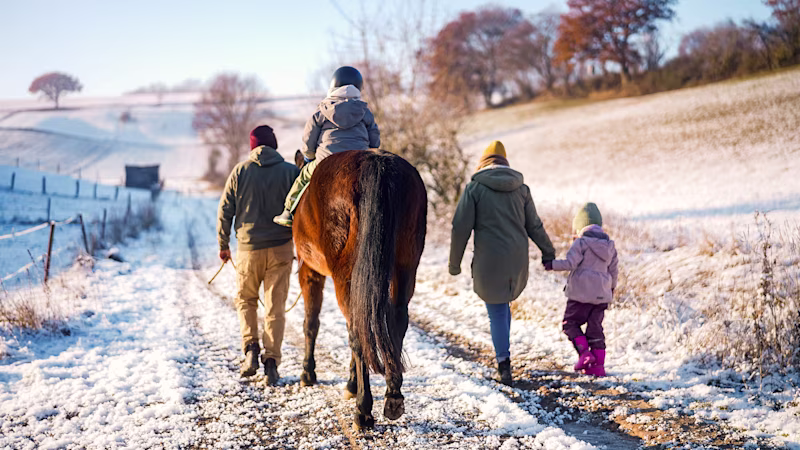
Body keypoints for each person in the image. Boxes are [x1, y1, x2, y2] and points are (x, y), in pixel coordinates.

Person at [449, 141, 556, 385]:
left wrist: (454, 264)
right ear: (505, 162)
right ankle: (504, 355)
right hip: (517, 259)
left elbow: (460, 228)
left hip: (489, 260)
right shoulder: (522, 189)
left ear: (483, 162)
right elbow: (535, 226)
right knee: (503, 303)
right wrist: (548, 251)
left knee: (496, 310)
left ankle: (503, 363)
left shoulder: (475, 188)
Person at [217, 125, 301, 384]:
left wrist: (223, 244)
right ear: (274, 145)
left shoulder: (240, 171)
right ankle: (272, 362)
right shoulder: (291, 172)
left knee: (246, 300)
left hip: (248, 250)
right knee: (275, 307)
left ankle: (251, 349)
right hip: (281, 249)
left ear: (253, 146)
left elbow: (225, 210)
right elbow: (303, 210)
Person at [273, 66, 380, 227]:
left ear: (333, 86)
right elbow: (375, 141)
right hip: (359, 160)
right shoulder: (364, 111)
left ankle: (288, 211)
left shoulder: (322, 110)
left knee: (303, 177)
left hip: (326, 160)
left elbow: (309, 139)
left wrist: (309, 156)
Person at [544, 202, 618, 377]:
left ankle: (585, 355)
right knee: (595, 329)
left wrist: (551, 264)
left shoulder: (581, 243)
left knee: (570, 323)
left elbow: (570, 263)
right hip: (601, 295)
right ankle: (598, 366)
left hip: (580, 294)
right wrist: (611, 290)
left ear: (579, 227)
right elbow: (614, 272)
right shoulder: (609, 245)